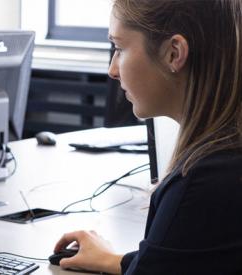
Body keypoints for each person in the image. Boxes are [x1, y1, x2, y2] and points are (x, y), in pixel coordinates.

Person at [53, 0, 242, 274]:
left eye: (119, 48)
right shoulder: (227, 161)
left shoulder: (202, 185)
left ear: (174, 53)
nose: (112, 69)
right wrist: (116, 261)